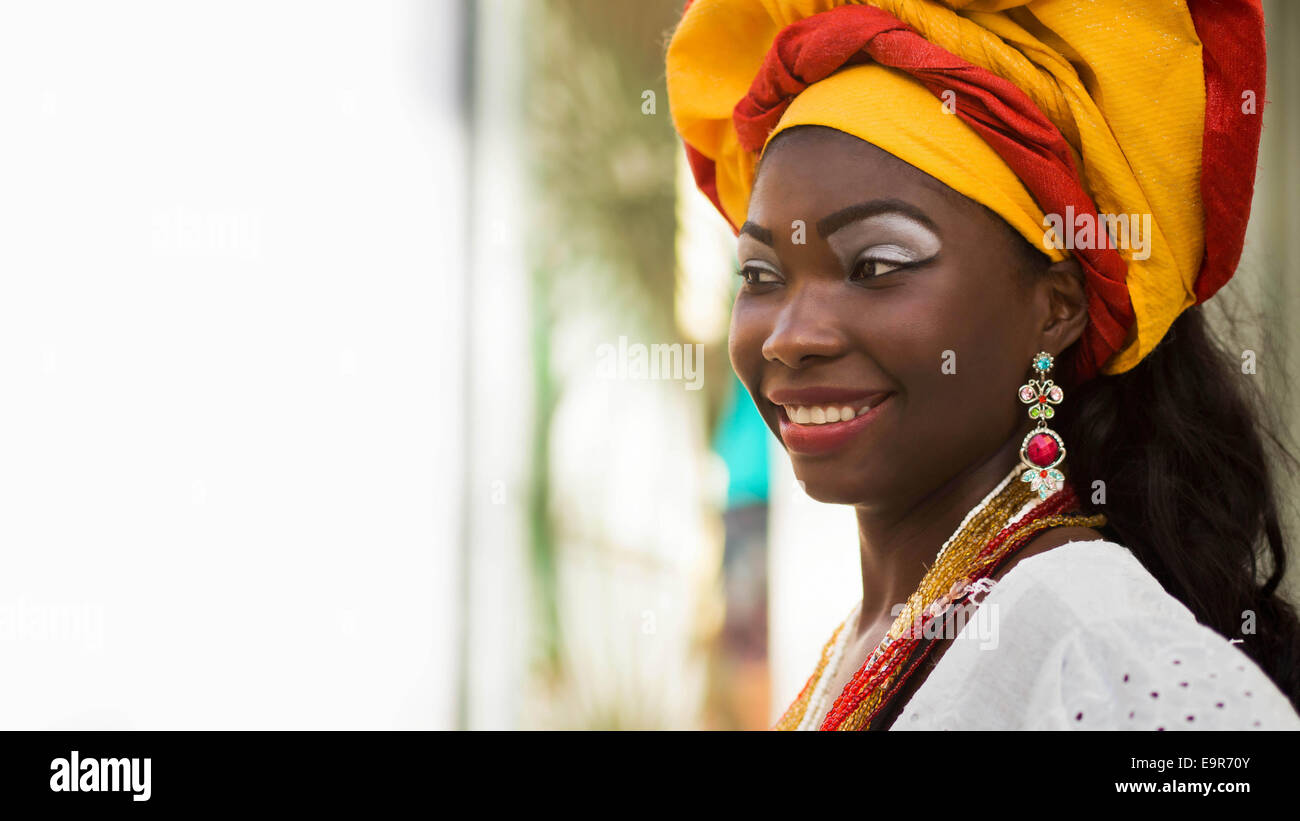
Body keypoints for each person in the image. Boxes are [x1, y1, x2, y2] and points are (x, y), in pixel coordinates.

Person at [666, 0, 1300, 729]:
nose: (788, 336)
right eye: (760, 275)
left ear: (1055, 308)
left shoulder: (1099, 652)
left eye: (875, 264)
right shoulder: (884, 635)